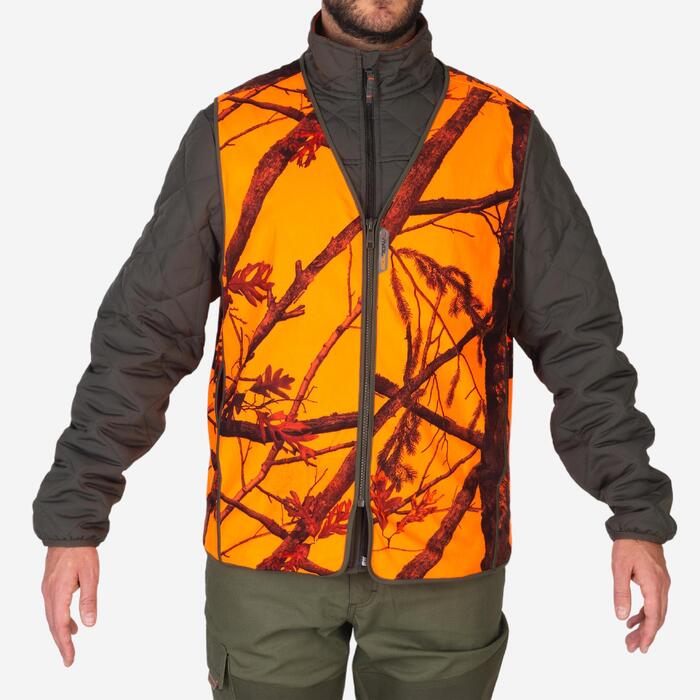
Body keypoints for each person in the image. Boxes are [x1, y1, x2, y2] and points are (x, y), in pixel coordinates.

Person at [33, 1, 676, 698]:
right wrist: (75, 517)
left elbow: (580, 342)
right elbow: (144, 337)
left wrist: (635, 512)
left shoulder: (502, 135)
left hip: (448, 555)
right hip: (265, 552)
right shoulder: (234, 132)